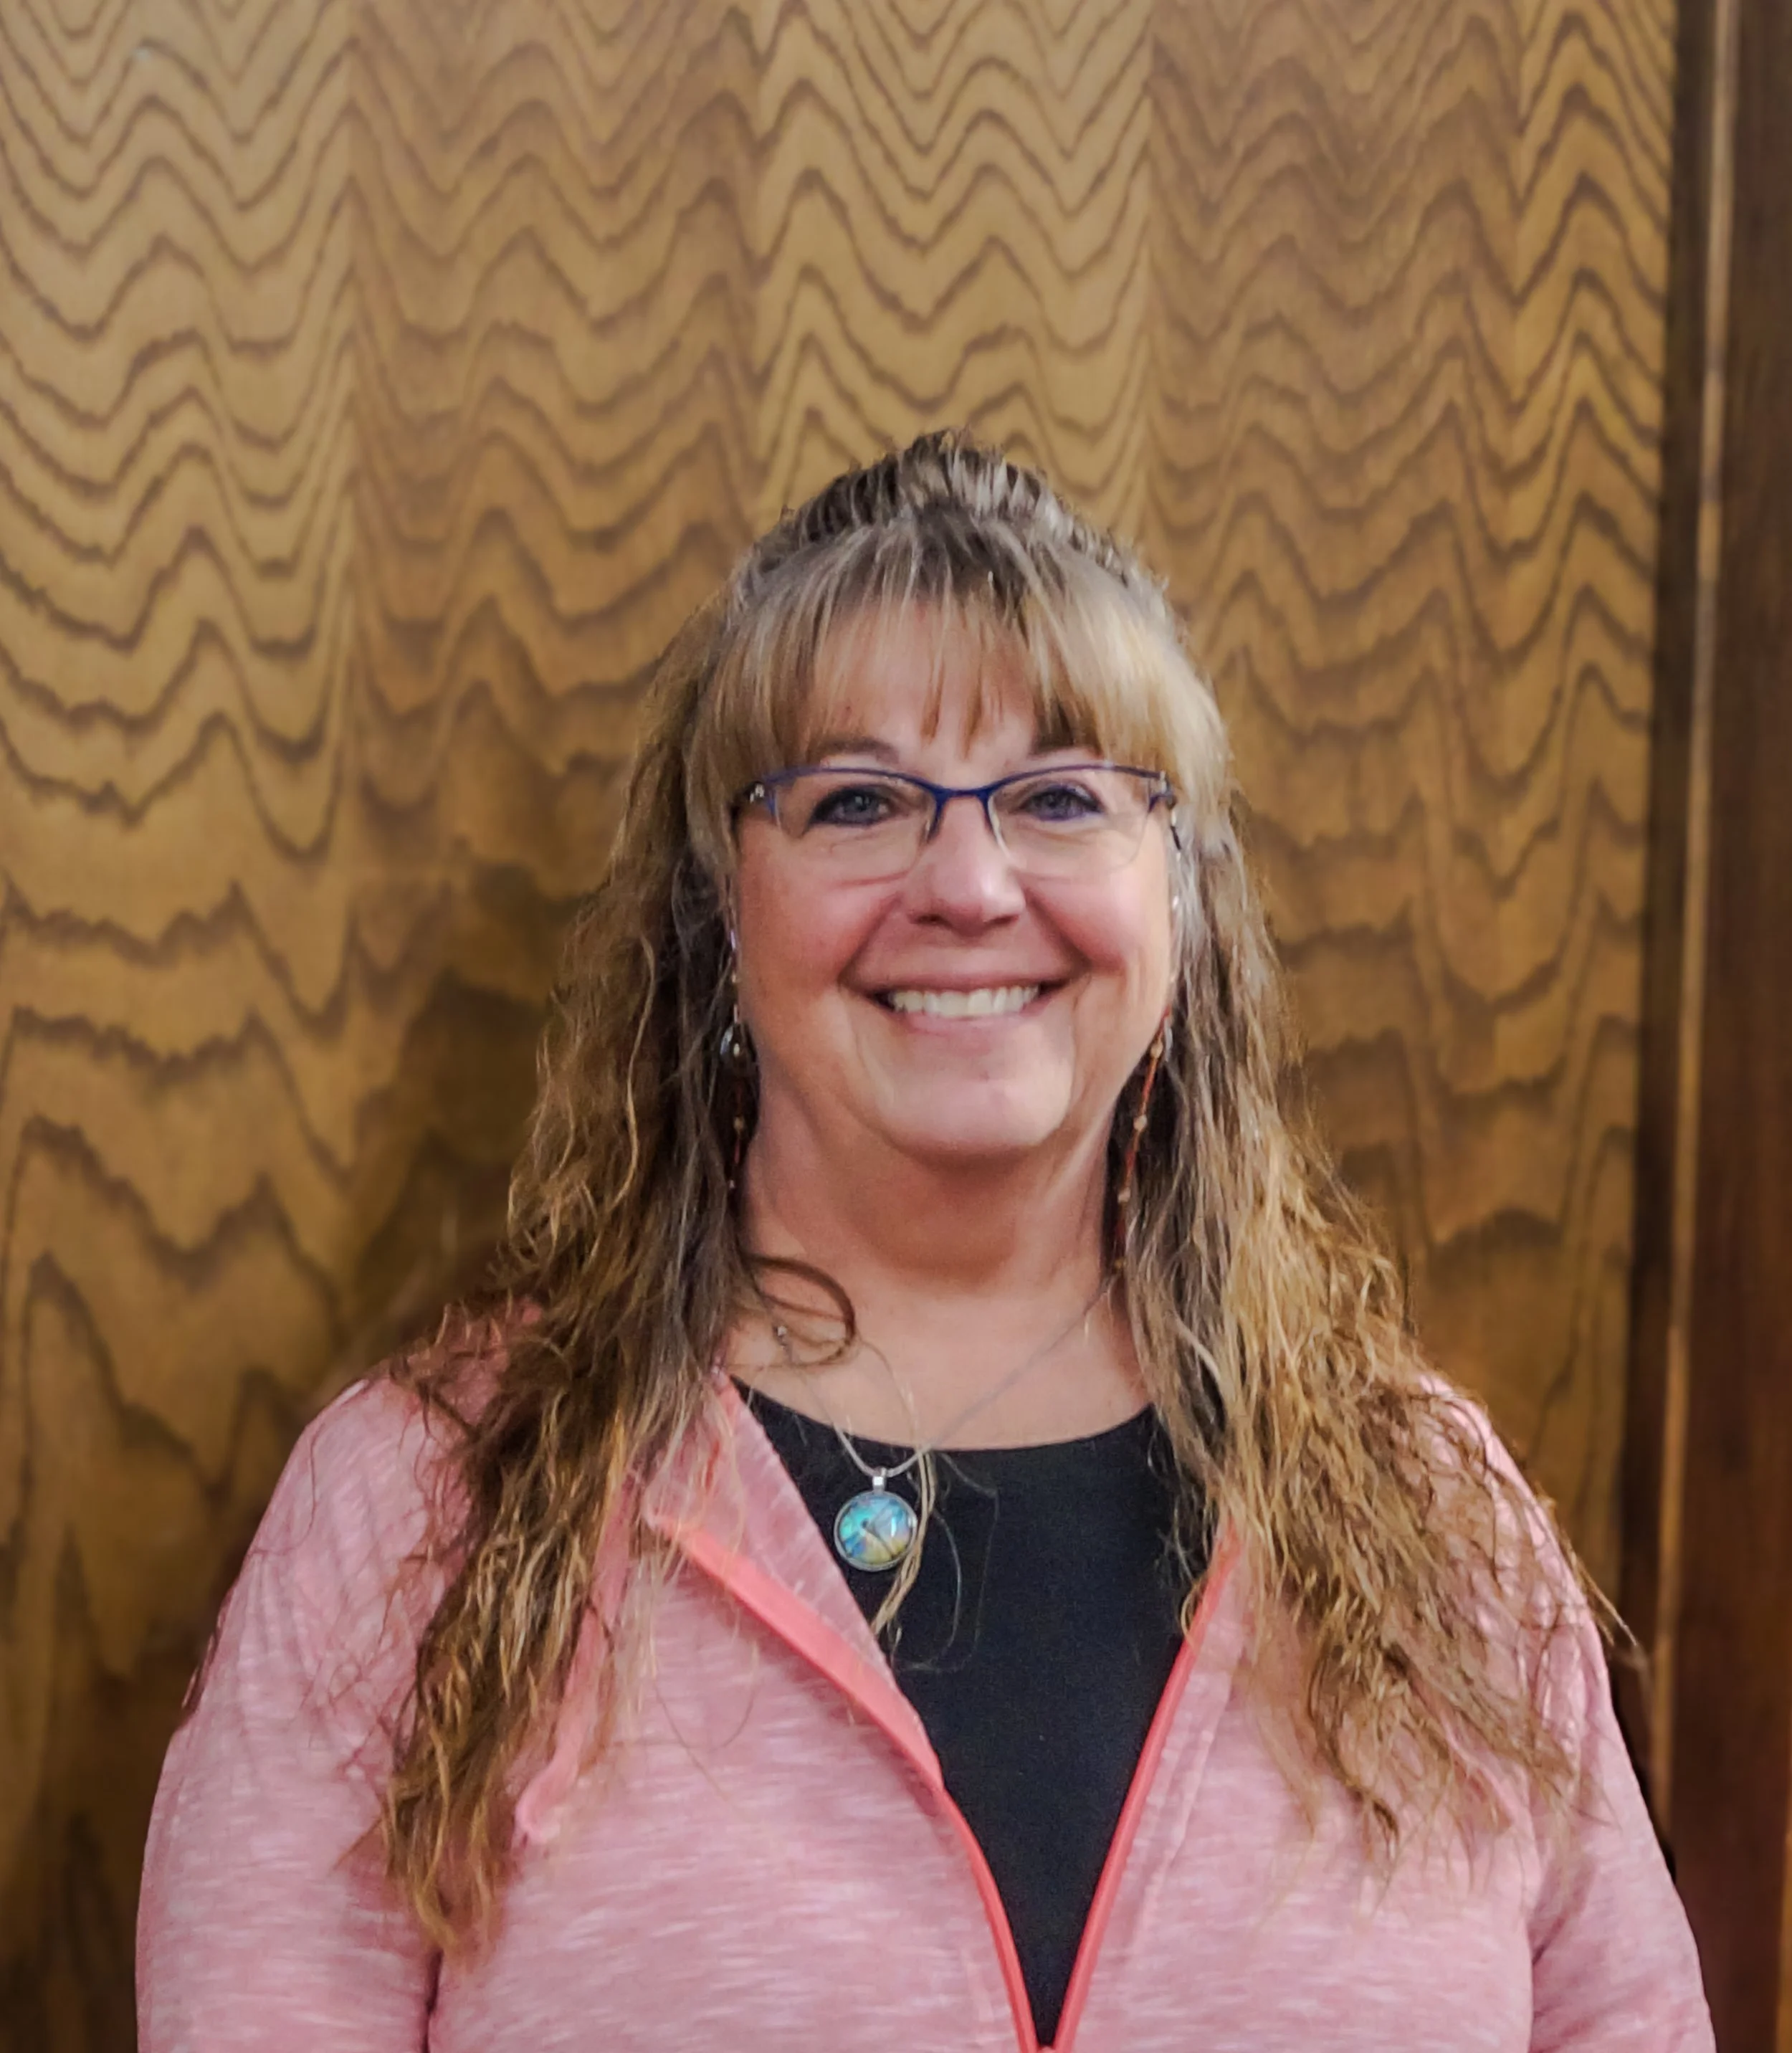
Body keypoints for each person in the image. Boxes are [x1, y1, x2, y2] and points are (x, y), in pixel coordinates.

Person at [137, 431, 1712, 2052]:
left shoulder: (1430, 1521)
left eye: (1057, 797)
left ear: (1177, 904)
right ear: (721, 916)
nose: (966, 882)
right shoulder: (424, 1508)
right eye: (859, 800)